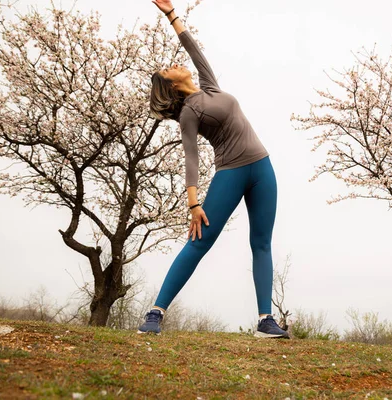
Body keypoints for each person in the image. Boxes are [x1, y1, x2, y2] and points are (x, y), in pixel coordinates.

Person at [137, 0, 289, 339]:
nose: (173, 65)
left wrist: (171, 14)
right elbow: (191, 157)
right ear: (172, 86)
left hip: (263, 168)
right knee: (199, 242)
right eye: (168, 70)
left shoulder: (210, 86)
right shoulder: (190, 113)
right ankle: (155, 314)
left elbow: (193, 49)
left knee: (261, 243)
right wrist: (193, 204)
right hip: (231, 174)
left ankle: (266, 321)